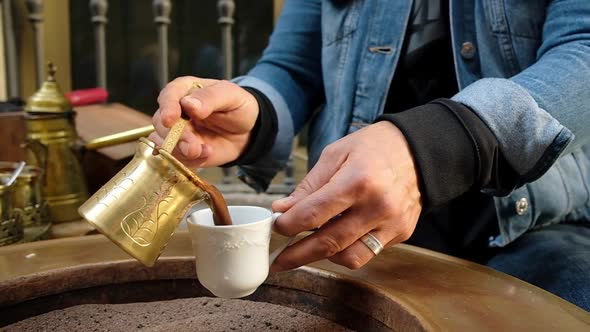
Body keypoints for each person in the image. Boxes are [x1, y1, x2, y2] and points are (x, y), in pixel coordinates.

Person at [150, 0, 590, 311]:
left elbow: (583, 47)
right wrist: (256, 114)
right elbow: (291, 68)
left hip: (538, 227)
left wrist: (432, 148)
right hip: (349, 233)